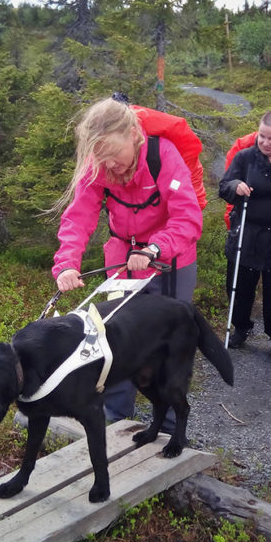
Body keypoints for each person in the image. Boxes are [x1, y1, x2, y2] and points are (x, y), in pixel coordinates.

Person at [53, 96, 203, 421]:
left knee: (167, 344)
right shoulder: (100, 165)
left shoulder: (163, 156)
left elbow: (188, 218)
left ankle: (172, 422)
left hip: (170, 261)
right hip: (123, 261)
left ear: (134, 136)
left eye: (114, 154)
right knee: (116, 339)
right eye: (101, 157)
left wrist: (155, 250)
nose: (110, 165)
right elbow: (78, 218)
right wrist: (67, 263)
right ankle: (115, 416)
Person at [218, 111, 271, 360]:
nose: (265, 142)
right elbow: (224, 186)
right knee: (240, 287)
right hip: (247, 234)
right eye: (262, 136)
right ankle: (241, 328)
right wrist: (235, 187)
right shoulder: (245, 158)